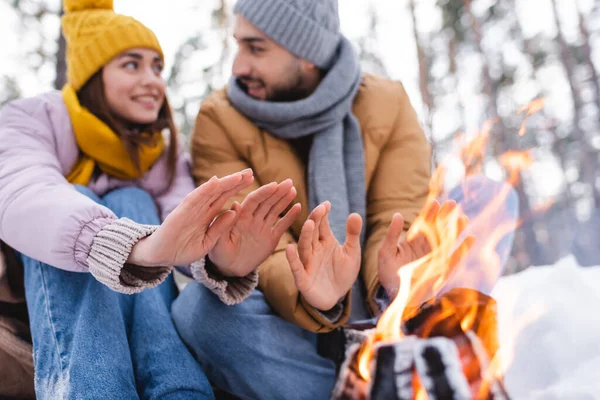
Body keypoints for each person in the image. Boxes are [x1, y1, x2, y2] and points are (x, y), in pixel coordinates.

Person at [172, 0, 519, 398]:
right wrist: (314, 293)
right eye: (239, 45)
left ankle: (419, 357)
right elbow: (249, 242)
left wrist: (393, 281)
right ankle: (367, 388)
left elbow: (396, 213)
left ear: (306, 53)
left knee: (489, 200)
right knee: (199, 312)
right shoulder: (219, 118)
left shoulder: (387, 103)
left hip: (383, 307)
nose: (238, 67)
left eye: (256, 48)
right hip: (294, 322)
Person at [0, 0, 301, 398]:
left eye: (157, 67)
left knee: (133, 200)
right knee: (80, 198)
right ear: (93, 74)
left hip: (127, 310)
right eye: (131, 65)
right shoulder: (31, 118)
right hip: (31, 300)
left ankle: (177, 390)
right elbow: (26, 194)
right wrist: (131, 245)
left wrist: (221, 257)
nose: (153, 80)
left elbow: (183, 221)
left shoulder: (159, 155)